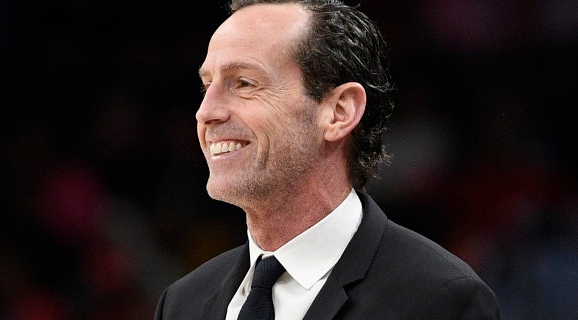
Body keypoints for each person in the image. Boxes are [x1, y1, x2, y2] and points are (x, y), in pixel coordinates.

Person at [154, 0, 501, 319]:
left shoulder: (439, 300)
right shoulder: (182, 304)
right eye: (207, 85)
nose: (206, 111)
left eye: (244, 83)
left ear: (339, 111)